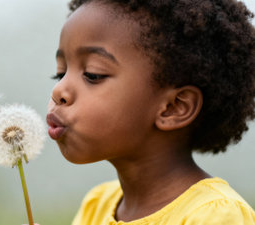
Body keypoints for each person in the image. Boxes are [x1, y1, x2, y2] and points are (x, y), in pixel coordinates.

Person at [46, 0, 255, 224]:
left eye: (93, 74)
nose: (59, 90)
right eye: (61, 73)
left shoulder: (215, 215)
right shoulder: (97, 204)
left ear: (173, 108)